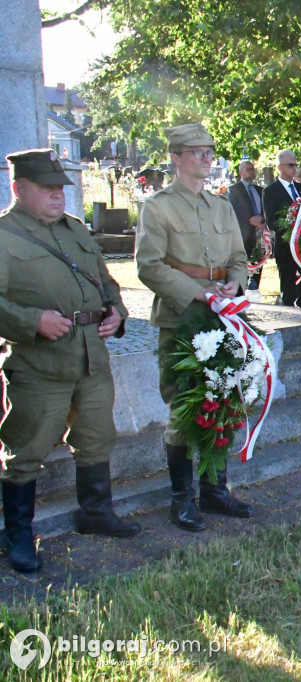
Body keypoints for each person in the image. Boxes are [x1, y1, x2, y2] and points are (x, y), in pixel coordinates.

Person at [0, 150, 139, 572]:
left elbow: (105, 281)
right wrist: (32, 320)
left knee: (96, 437)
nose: (58, 196)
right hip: (39, 364)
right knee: (26, 448)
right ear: (18, 188)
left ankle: (95, 513)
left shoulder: (76, 230)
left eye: (60, 188)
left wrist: (117, 313)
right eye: (47, 188)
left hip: (91, 358)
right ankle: (18, 534)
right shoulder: (4, 236)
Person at [135, 123, 254, 532]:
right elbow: (148, 267)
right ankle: (181, 499)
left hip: (225, 316)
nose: (207, 158)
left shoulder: (220, 206)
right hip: (184, 316)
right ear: (175, 157)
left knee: (226, 399)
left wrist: (234, 283)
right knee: (186, 406)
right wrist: (201, 293)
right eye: (198, 151)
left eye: (210, 151)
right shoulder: (159, 206)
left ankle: (215, 490)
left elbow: (239, 256)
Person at [262, 149, 301, 307]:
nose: (294, 168)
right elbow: (272, 221)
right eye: (290, 165)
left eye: (296, 164)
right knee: (289, 292)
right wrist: (293, 225)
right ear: (279, 167)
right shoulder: (270, 191)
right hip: (286, 248)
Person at [226, 160, 267, 290]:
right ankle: (239, 291)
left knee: (258, 265)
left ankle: (254, 289)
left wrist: (261, 220)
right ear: (240, 171)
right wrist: (252, 221)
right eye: (247, 169)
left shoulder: (261, 190)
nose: (251, 172)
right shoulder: (233, 190)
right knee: (241, 266)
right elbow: (234, 211)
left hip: (260, 235)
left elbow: (266, 209)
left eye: (252, 169)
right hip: (243, 236)